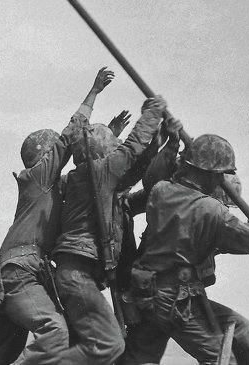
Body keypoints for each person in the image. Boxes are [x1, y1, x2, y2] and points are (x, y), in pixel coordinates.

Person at [0, 67, 115, 365]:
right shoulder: (38, 177)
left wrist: (110, 136)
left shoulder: (50, 189)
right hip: (20, 273)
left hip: (18, 272)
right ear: (44, 155)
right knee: (55, 331)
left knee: (4, 353)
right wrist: (93, 93)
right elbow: (69, 137)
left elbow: (91, 171)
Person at [120, 134, 249, 365]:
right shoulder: (210, 210)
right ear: (209, 173)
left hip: (148, 292)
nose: (221, 180)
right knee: (223, 360)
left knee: (240, 329)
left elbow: (228, 241)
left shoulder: (162, 191)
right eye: (219, 174)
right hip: (176, 300)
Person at [50, 95, 170, 365]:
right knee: (111, 344)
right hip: (78, 275)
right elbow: (130, 152)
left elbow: (131, 172)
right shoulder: (97, 173)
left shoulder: (90, 180)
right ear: (101, 153)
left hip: (80, 274)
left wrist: (155, 150)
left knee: (101, 346)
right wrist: (152, 113)